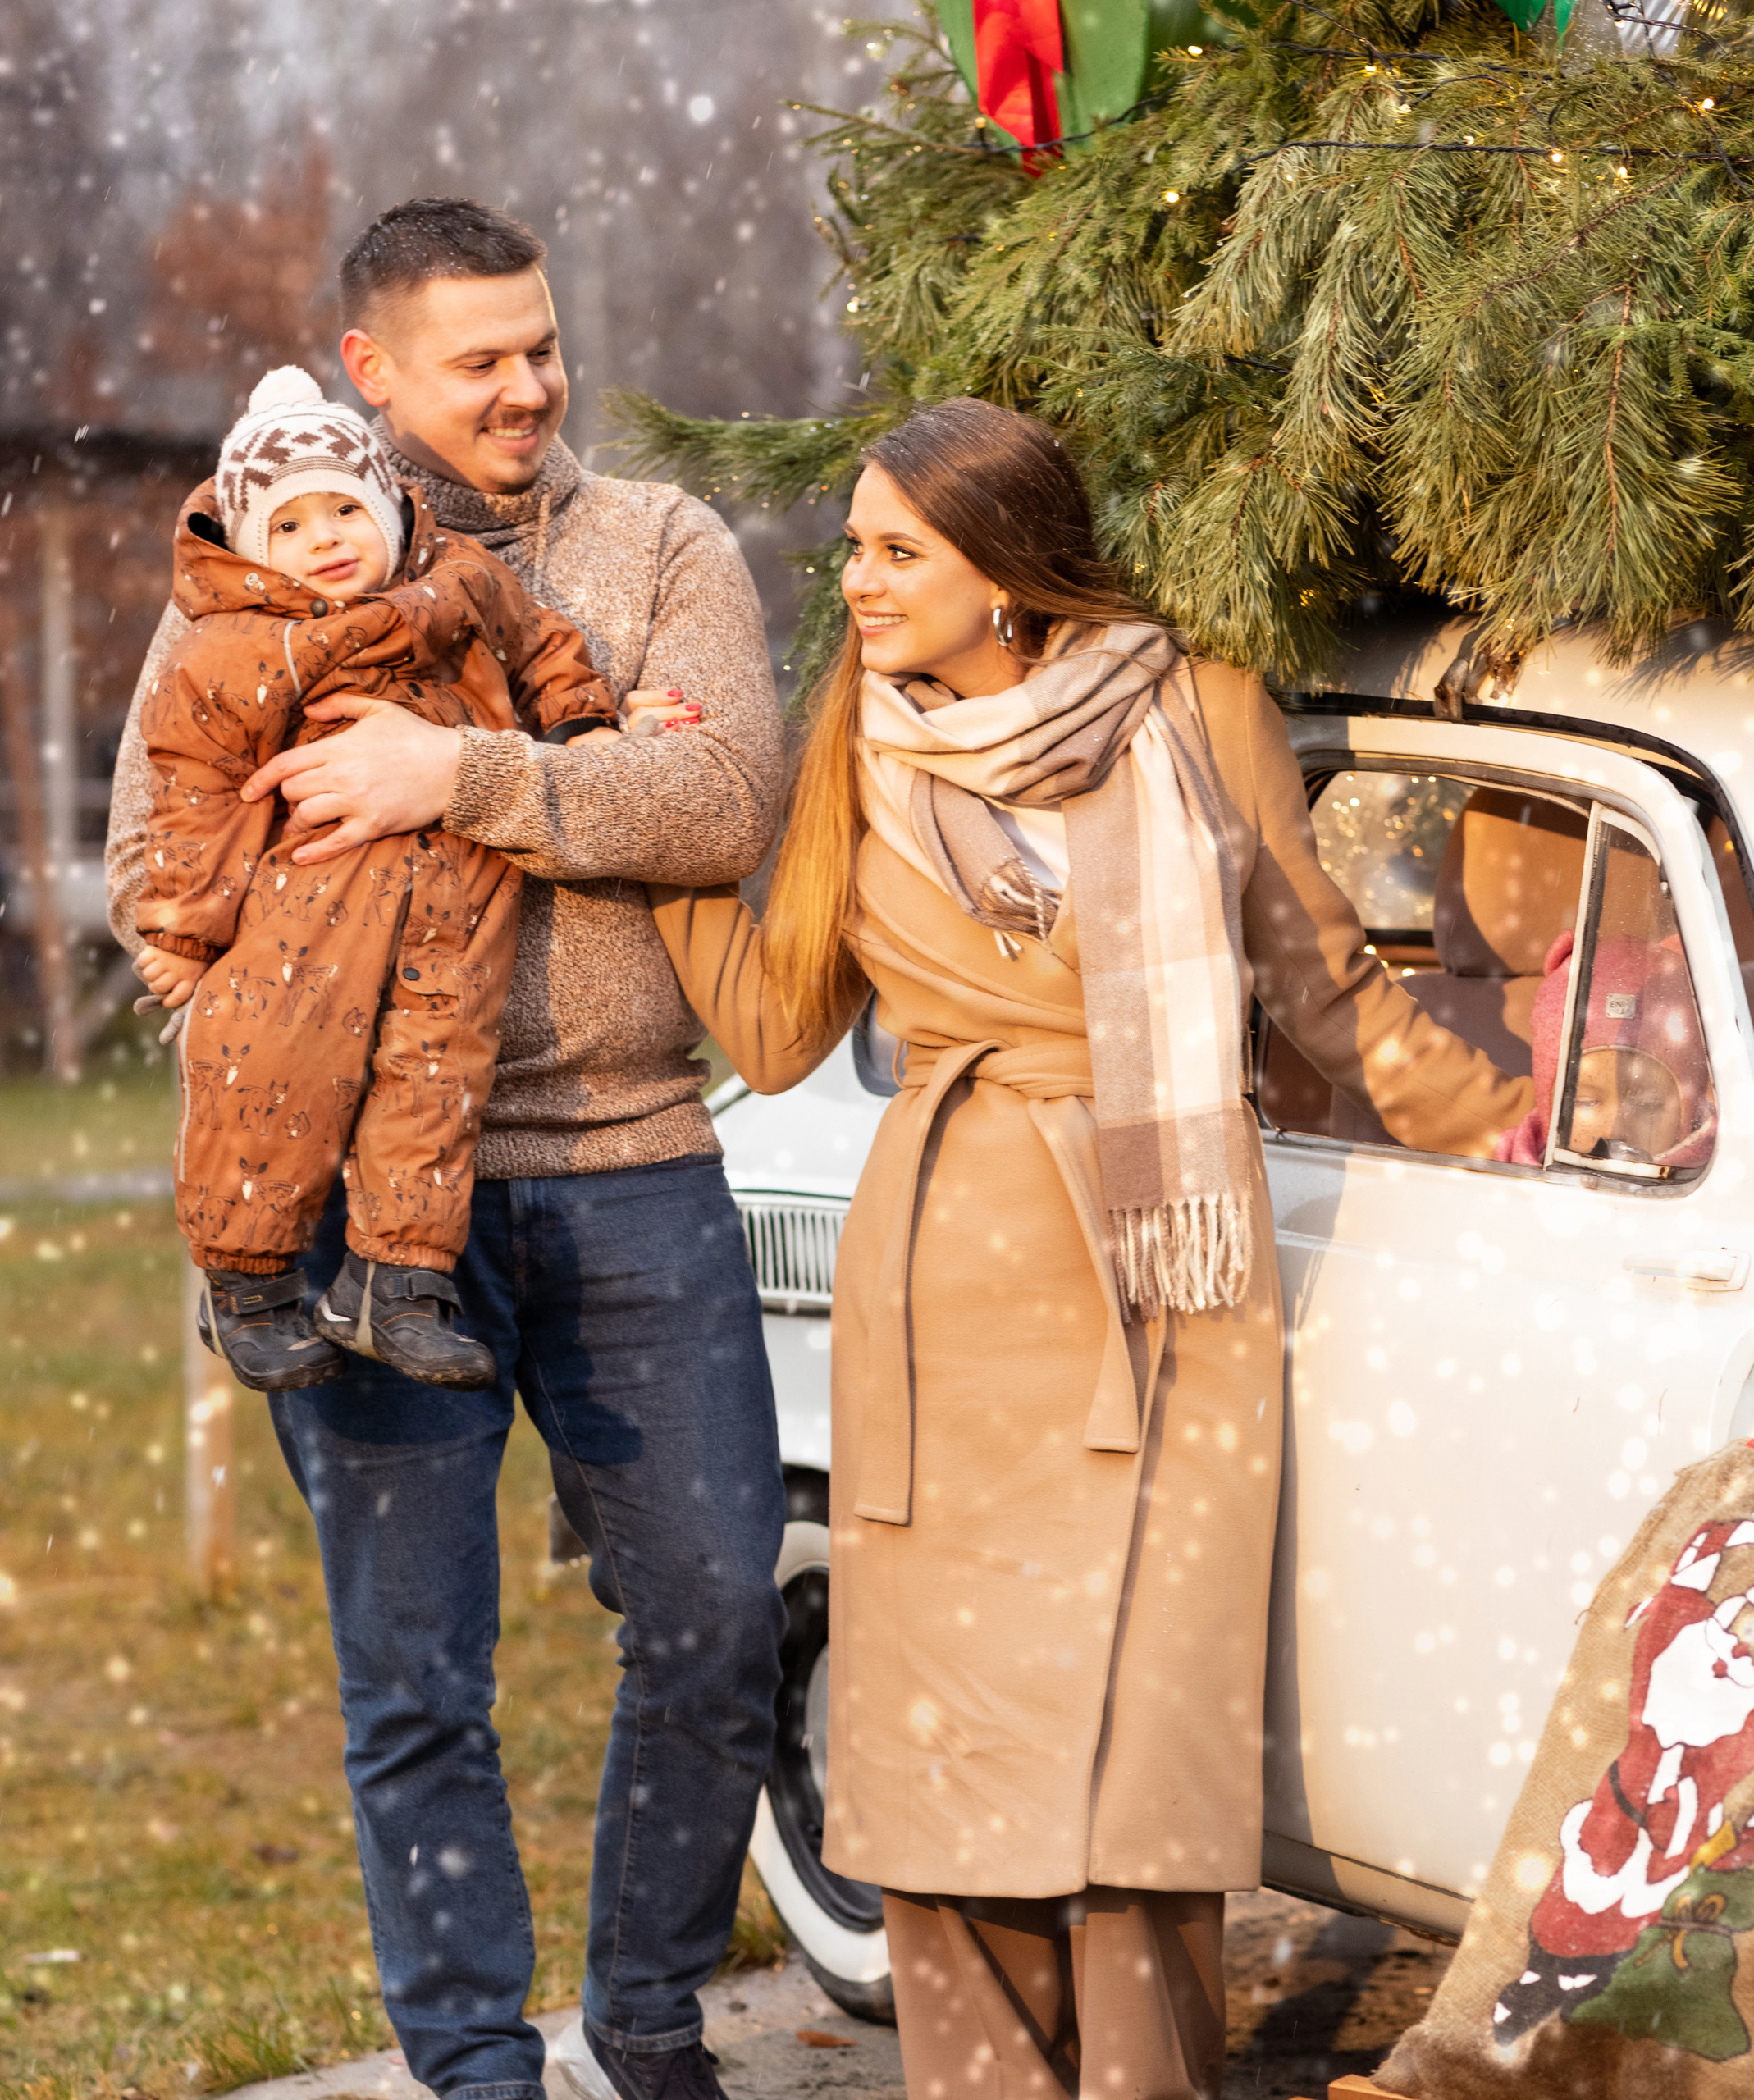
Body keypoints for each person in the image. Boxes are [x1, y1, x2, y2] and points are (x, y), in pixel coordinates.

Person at [646, 397, 1532, 2100]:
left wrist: (1509, 1125)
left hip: (1162, 1278)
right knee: (942, 1761)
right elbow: (768, 1027)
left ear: (1007, 571)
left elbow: (1325, 988)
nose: (856, 581)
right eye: (851, 545)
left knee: (1142, 1771)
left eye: (896, 550)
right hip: (944, 1279)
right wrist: (661, 843)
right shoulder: (858, 738)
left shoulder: (1194, 712)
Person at [105, 199, 784, 2100]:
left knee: (719, 1610)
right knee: (418, 1678)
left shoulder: (656, 547)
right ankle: (476, 2064)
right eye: (479, 355)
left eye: (541, 343)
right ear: (372, 370)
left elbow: (720, 794)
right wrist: (259, 1004)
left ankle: (648, 2014)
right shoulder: (255, 571)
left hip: (630, 1158)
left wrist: (453, 775)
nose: (528, 383)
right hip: (355, 1208)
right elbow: (158, 860)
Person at [138, 364, 623, 1391]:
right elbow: (197, 797)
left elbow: (542, 647)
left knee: (436, 1081)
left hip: (460, 898)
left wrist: (583, 719)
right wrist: (184, 928)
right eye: (292, 525)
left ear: (388, 510)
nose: (326, 539)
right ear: (251, 548)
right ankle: (247, 1283)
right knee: (271, 1078)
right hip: (303, 911)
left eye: (346, 509)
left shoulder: (462, 584)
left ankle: (396, 1283)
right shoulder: (236, 648)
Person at [1494, 929, 1717, 1173]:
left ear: (1690, 1113)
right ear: (1552, 1107)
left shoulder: (1725, 1175)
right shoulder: (1506, 1182)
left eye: (1647, 1104)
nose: (1614, 1130)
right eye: (1586, 1102)